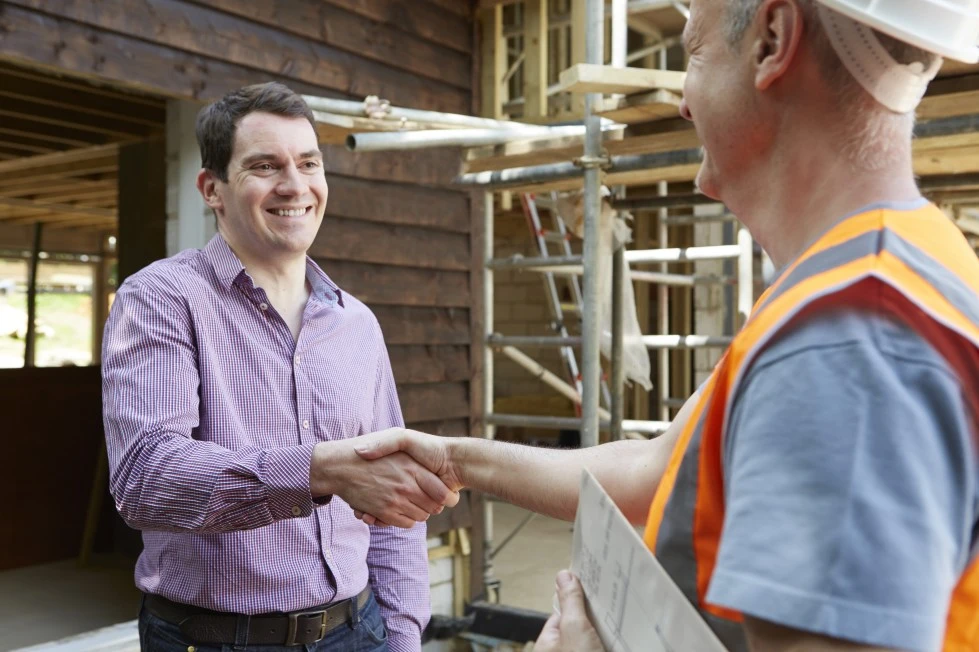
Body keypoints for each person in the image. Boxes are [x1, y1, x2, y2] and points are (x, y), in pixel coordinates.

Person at [353, 1, 979, 650]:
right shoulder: (867, 277)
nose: (682, 102)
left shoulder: (847, 343)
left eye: (694, 53)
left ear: (772, 38)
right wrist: (456, 460)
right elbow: (659, 468)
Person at [101, 82, 457, 652]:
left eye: (308, 163)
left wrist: (402, 634)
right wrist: (317, 470)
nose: (295, 185)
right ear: (212, 189)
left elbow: (398, 506)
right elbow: (146, 478)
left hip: (359, 630)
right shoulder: (162, 298)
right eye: (265, 166)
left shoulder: (357, 323)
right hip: (215, 639)